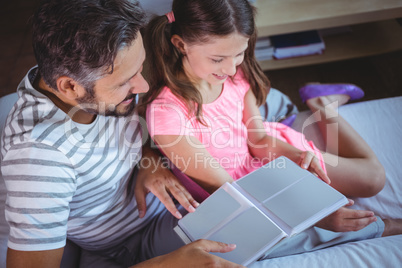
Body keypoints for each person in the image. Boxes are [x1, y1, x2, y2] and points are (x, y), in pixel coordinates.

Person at [0, 0, 245, 267]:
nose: (143, 85)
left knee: (265, 228)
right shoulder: (40, 159)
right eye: (125, 80)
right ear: (70, 86)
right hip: (128, 248)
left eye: (140, 69)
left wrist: (146, 158)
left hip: (168, 211)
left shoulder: (84, 78)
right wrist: (167, 265)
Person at [141, 0, 402, 248]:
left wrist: (299, 156)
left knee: (374, 180)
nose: (231, 69)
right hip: (238, 190)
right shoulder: (167, 115)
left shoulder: (235, 76)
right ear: (180, 44)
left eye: (239, 54)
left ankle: (321, 105)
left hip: (266, 159)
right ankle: (382, 226)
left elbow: (259, 140)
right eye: (218, 59)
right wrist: (314, 216)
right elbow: (230, 193)